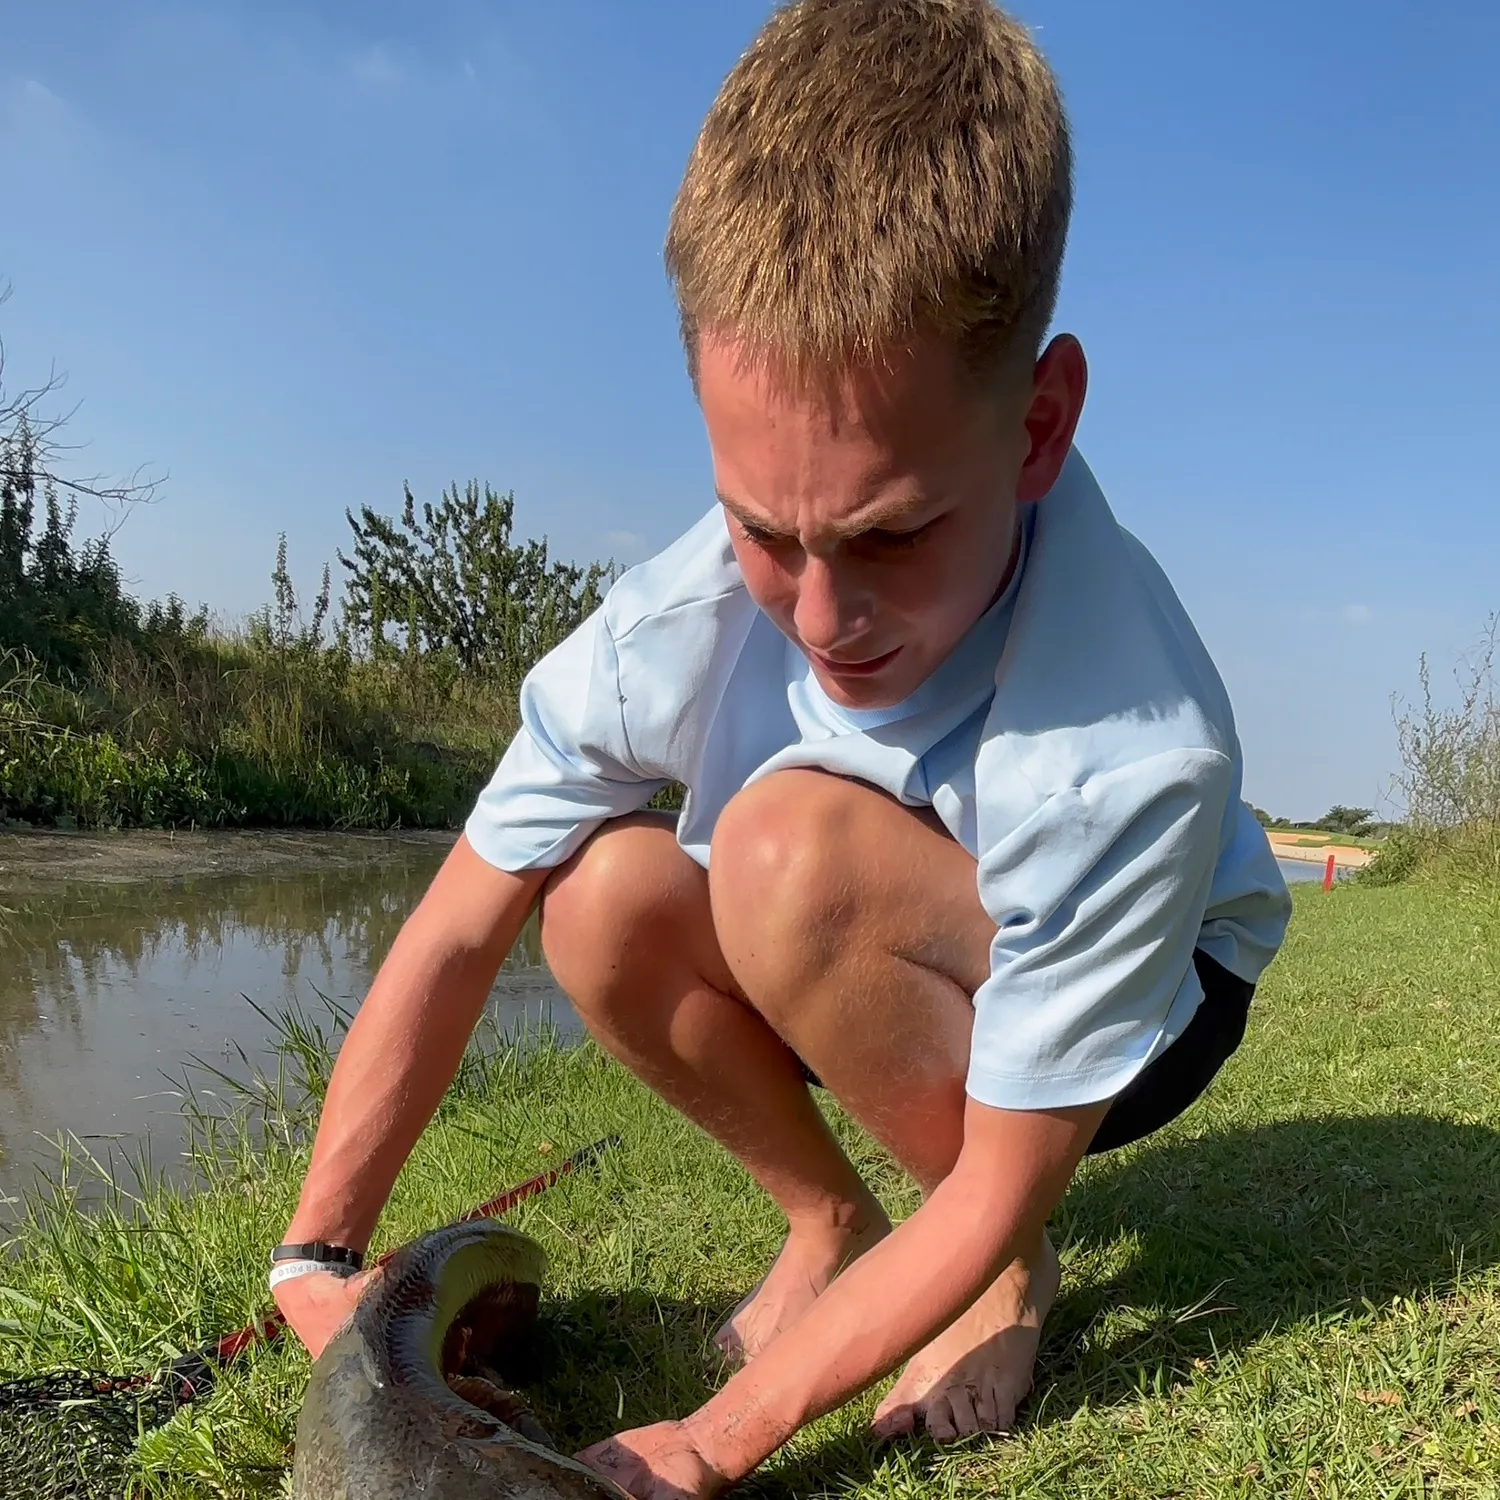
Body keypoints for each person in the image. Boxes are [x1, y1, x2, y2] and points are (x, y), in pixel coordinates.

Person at [271, 2, 1292, 1495]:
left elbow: (1007, 1161)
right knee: (602, 895)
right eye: (764, 529)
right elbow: (456, 927)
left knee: (780, 854)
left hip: (1163, 989)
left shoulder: (1133, 750)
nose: (824, 617)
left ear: (1039, 425)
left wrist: (717, 1438)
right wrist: (319, 1251)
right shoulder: (665, 627)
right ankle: (830, 1225)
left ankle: (1008, 1283)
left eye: (889, 535)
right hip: (872, 910)